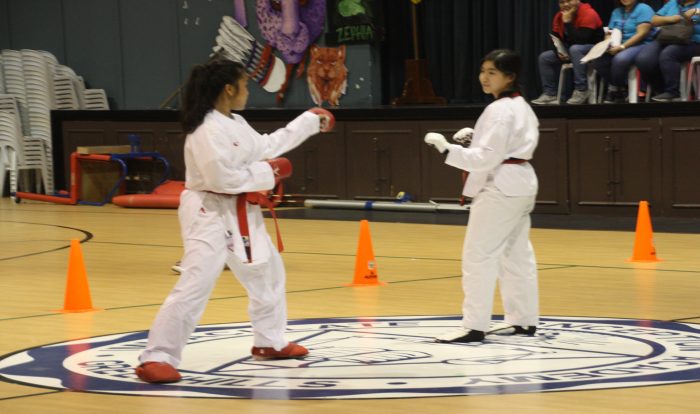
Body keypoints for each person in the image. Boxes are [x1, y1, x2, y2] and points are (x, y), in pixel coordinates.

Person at [134, 59, 334, 383]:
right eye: (244, 85)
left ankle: (269, 341)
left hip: (241, 209)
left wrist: (309, 121)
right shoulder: (206, 129)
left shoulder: (236, 122)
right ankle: (157, 357)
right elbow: (221, 178)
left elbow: (266, 145)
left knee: (267, 274)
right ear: (229, 89)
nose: (247, 91)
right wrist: (270, 172)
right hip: (208, 210)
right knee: (197, 282)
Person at [424, 49, 540, 343]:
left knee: (479, 256)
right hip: (521, 182)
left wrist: (448, 149)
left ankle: (474, 325)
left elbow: (487, 158)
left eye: (492, 73)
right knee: (516, 255)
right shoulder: (521, 106)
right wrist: (474, 140)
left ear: (509, 77)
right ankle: (523, 320)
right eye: (483, 71)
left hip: (500, 186)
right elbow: (504, 147)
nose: (484, 78)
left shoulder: (499, 110)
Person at [532, 0, 605, 105]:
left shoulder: (589, 13)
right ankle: (550, 93)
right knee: (545, 57)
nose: (565, 4)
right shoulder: (559, 16)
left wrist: (567, 23)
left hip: (594, 50)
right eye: (562, 2)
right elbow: (555, 39)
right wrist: (559, 52)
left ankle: (581, 90)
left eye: (569, 1)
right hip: (574, 51)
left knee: (575, 49)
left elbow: (582, 40)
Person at [590, 0, 655, 103]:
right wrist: (607, 43)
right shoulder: (616, 12)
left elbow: (642, 33)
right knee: (598, 60)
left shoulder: (644, 9)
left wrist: (622, 47)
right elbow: (609, 32)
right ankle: (620, 88)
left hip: (640, 44)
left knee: (620, 59)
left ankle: (615, 89)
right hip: (618, 45)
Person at [635, 0, 700, 102]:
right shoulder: (673, 3)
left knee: (668, 54)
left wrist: (695, 13)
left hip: (693, 42)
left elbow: (695, 21)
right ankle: (660, 88)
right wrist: (674, 18)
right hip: (667, 38)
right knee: (644, 59)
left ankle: (673, 92)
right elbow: (654, 20)